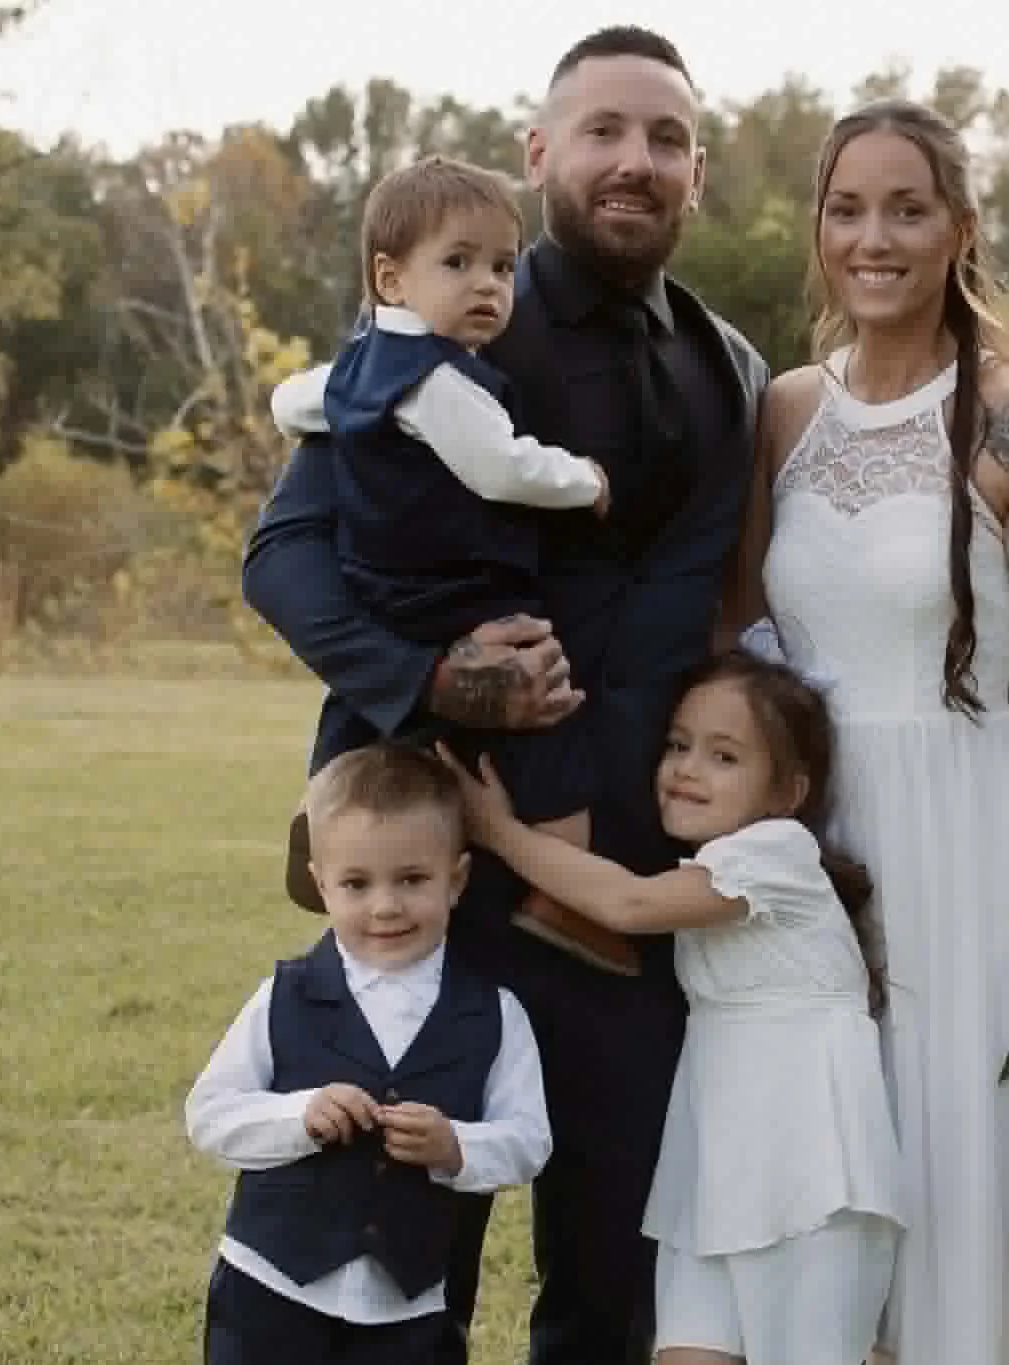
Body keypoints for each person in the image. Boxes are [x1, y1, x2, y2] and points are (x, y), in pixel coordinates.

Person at [241, 26, 766, 1365]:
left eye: (664, 139)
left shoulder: (737, 370)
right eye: (603, 131)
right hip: (441, 872)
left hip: (628, 896)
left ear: (697, 173)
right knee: (397, 1262)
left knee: (613, 1265)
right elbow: (285, 556)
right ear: (540, 153)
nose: (632, 161)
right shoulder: (439, 317)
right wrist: (432, 682)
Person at [731, 99, 1009, 1363]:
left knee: (953, 1167)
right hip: (811, 841)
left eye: (906, 209)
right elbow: (744, 634)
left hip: (960, 836)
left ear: (958, 229)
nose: (873, 237)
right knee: (830, 1173)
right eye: (847, 209)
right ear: (819, 228)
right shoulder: (785, 411)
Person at [440, 647, 904, 1365]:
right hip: (714, 1170)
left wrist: (495, 830)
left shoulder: (778, 853)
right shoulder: (707, 867)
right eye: (678, 745)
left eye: (724, 756)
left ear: (789, 792)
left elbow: (624, 902)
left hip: (809, 1171)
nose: (686, 768)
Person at [268, 153, 633, 977]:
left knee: (363, 713)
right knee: (550, 714)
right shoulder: (440, 380)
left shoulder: (361, 367)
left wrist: (316, 420)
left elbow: (290, 399)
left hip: (382, 587)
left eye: (504, 267)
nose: (488, 287)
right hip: (461, 589)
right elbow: (501, 466)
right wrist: (587, 482)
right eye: (459, 264)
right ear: (390, 279)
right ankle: (568, 897)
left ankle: (324, 806)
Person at [184, 743, 553, 1365]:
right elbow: (210, 1114)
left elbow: (528, 1139)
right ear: (321, 886)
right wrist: (297, 1117)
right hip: (270, 1292)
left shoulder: (494, 1013)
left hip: (405, 1309)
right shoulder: (287, 994)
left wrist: (457, 1146)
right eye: (356, 884)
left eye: (412, 880)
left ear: (456, 880)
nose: (385, 906)